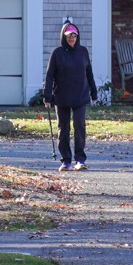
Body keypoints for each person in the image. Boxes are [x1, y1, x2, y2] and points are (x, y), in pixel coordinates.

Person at [41, 20, 96, 171]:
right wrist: (47, 97)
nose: (71, 38)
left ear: (77, 36)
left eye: (74, 35)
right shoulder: (57, 53)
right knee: (63, 128)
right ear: (63, 37)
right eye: (68, 36)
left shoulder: (83, 52)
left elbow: (89, 73)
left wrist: (94, 91)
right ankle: (66, 160)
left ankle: (80, 159)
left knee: (79, 126)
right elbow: (50, 75)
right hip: (62, 97)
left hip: (80, 96)